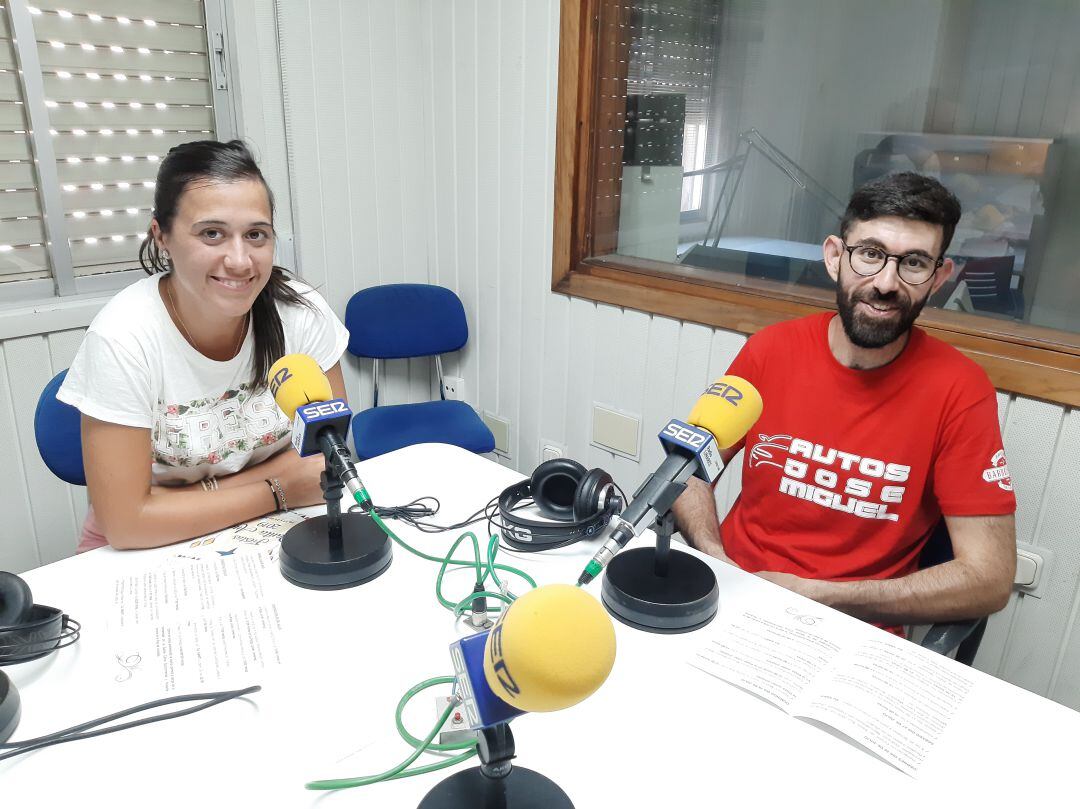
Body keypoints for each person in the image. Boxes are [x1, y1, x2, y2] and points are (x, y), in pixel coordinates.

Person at [673, 172, 1016, 633]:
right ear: (835, 257)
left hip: (847, 627)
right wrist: (714, 556)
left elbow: (989, 579)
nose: (887, 283)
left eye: (913, 263)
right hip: (731, 594)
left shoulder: (960, 390)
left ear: (939, 278)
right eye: (870, 254)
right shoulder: (770, 350)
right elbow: (687, 472)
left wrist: (824, 597)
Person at [58, 140, 350, 551]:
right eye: (212, 233)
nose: (240, 260)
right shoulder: (122, 338)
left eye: (256, 235)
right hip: (148, 546)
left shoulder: (300, 314)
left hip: (274, 527)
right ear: (161, 236)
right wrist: (277, 487)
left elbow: (326, 458)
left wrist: (178, 500)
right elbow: (126, 524)